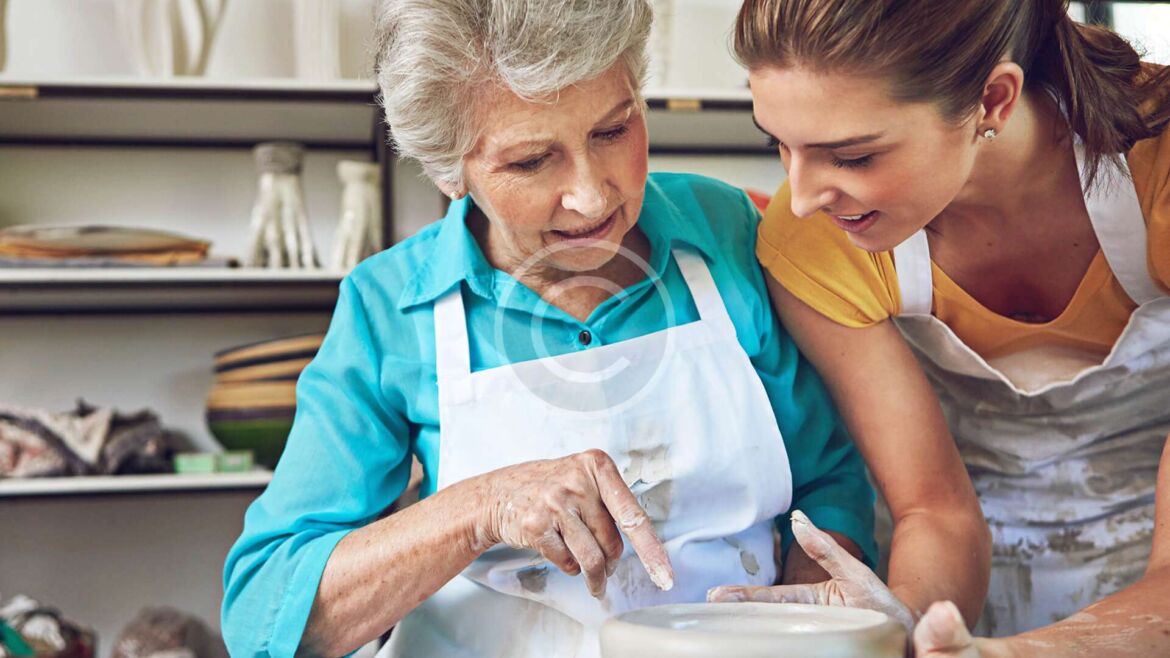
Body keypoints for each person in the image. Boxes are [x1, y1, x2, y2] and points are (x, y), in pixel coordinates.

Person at [220, 1, 879, 657]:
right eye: (533, 162)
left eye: (613, 131)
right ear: (451, 170)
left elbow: (829, 485)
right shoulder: (389, 306)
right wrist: (481, 509)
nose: (592, 196)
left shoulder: (728, 232)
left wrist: (801, 630)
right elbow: (263, 616)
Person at [710, 0, 1170, 655]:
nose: (803, 195)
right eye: (777, 144)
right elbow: (935, 509)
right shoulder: (812, 239)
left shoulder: (1162, 169)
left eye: (852, 156)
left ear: (992, 99)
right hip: (965, 574)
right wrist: (906, 626)